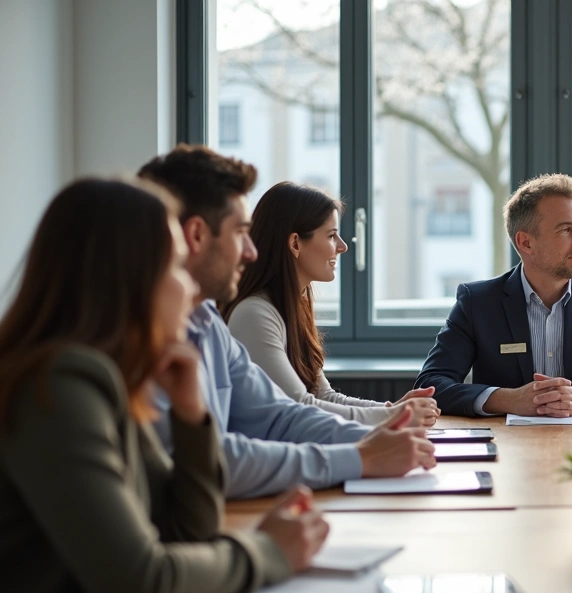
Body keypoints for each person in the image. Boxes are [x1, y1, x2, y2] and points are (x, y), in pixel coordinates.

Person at [0, 178, 328, 593]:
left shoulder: (110, 375)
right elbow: (138, 587)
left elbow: (188, 527)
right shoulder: (61, 384)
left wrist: (191, 416)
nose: (188, 285)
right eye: (176, 265)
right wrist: (269, 552)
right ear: (128, 278)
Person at [139, 144, 436, 499]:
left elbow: (281, 416)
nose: (250, 251)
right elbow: (213, 459)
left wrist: (387, 436)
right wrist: (363, 452)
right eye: (239, 233)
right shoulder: (141, 341)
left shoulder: (209, 323)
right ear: (196, 236)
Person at [416, 173, 572, 418]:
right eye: (566, 230)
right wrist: (508, 399)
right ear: (526, 243)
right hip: (506, 449)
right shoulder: (477, 302)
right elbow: (429, 385)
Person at [221, 181, 440, 425]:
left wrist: (394, 408)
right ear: (295, 244)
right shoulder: (254, 314)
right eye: (332, 235)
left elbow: (324, 396)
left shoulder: (291, 305)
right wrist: (395, 416)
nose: (343, 247)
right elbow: (299, 406)